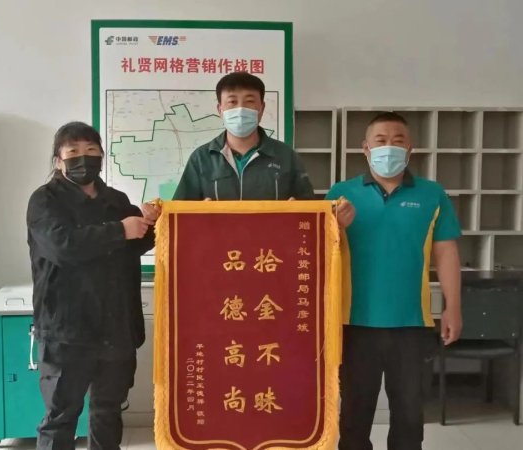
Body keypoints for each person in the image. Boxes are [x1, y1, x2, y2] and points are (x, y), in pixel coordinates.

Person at [327, 112, 462, 450]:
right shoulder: (341, 194)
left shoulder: (432, 195)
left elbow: (446, 253)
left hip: (411, 322)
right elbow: (319, 252)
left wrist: (453, 307)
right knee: (354, 413)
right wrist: (334, 227)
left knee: (409, 415)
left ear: (410, 148)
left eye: (397, 141)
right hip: (354, 322)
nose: (389, 147)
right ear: (365, 148)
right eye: (381, 140)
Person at [26, 121, 160, 450]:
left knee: (108, 411)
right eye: (72, 151)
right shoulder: (44, 200)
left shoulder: (116, 200)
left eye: (90, 150)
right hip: (66, 329)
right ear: (58, 160)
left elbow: (135, 244)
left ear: (101, 155)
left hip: (115, 326)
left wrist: (151, 224)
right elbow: (62, 246)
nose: (82, 158)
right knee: (61, 415)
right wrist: (120, 230)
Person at [173, 71, 316, 201]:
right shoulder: (201, 158)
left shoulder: (286, 156)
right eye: (232, 102)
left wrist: (298, 210)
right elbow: (178, 213)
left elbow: (311, 210)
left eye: (250, 101)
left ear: (262, 108)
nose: (240, 109)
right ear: (220, 110)